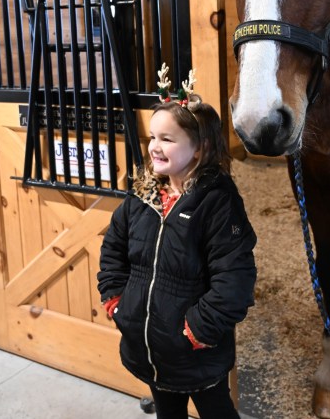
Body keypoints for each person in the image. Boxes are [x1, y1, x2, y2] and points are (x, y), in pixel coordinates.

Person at [98, 64, 256, 419]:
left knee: (217, 411)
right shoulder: (142, 196)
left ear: (198, 150)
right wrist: (115, 298)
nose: (154, 147)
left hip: (194, 350)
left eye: (167, 139)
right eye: (152, 137)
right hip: (150, 345)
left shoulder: (217, 202)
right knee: (169, 413)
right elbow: (113, 248)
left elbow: (236, 276)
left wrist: (198, 328)